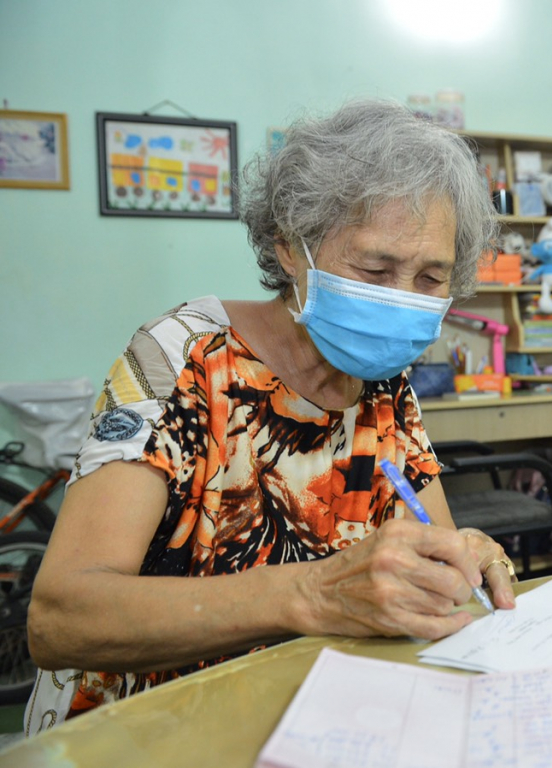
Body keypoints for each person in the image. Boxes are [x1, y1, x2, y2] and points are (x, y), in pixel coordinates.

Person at [25, 101, 516, 732]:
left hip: (305, 721)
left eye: (429, 278)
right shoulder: (182, 362)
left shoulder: (386, 388)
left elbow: (431, 550)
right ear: (290, 247)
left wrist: (458, 562)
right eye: (374, 268)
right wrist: (313, 592)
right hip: (143, 730)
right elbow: (61, 621)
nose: (400, 300)